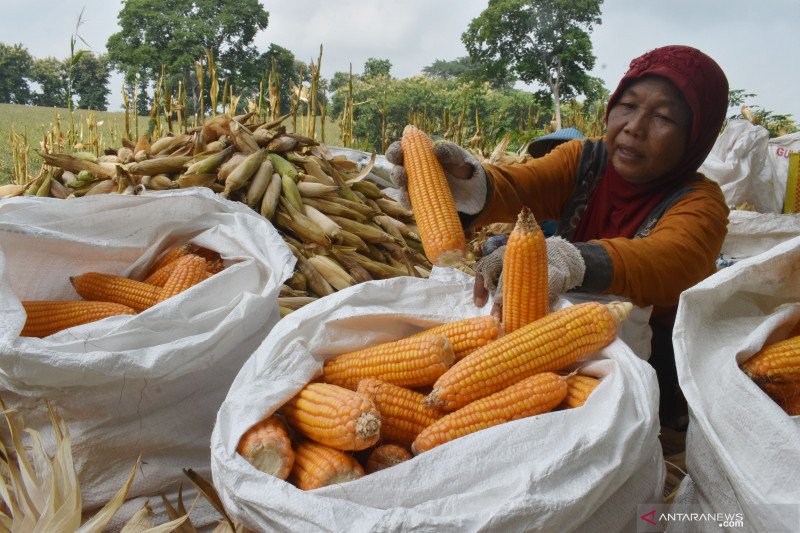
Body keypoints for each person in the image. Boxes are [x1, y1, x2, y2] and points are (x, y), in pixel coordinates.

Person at [385, 45, 730, 429]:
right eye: (628, 105)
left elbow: (671, 260)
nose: (635, 126)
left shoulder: (701, 202)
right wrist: (465, 182)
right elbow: (522, 186)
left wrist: (566, 258)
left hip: (652, 361)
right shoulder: (585, 160)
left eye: (663, 116)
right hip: (561, 339)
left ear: (696, 136)